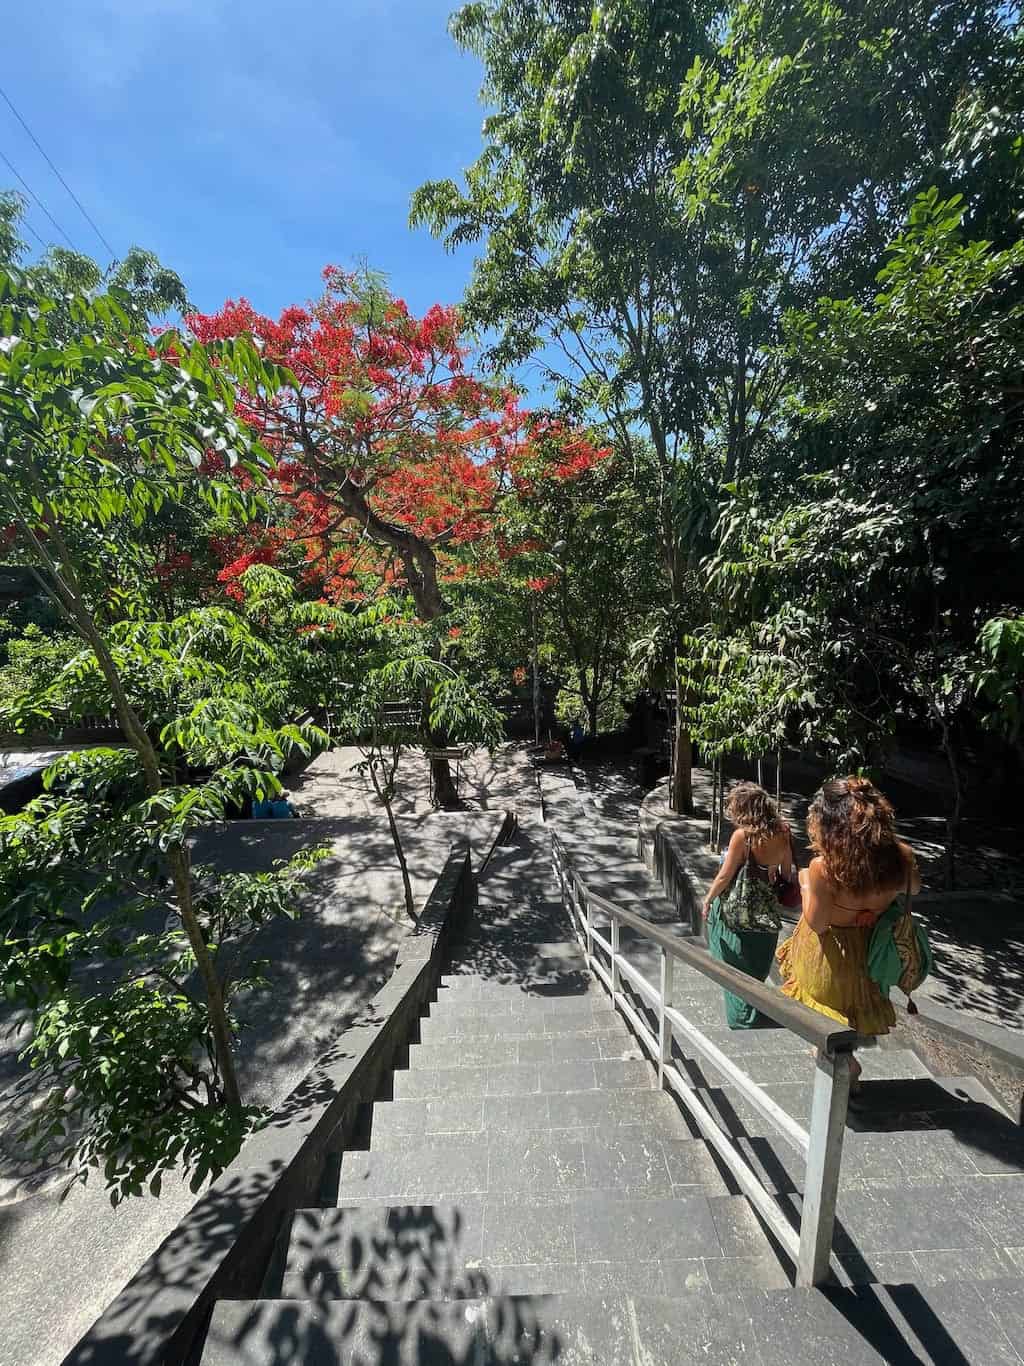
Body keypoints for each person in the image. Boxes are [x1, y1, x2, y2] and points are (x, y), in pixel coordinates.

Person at [776, 776, 921, 1089]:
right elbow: (914, 888)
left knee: (825, 1015)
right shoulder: (903, 857)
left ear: (829, 823)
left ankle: (844, 1069)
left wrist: (803, 883)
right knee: (854, 1011)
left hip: (829, 956)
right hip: (869, 954)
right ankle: (846, 1067)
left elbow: (817, 923)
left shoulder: (823, 868)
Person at [702, 782, 796, 1029]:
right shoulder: (784, 832)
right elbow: (787, 873)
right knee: (756, 962)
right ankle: (753, 1005)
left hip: (738, 912)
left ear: (745, 809)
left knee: (730, 956)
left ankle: (741, 1018)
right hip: (766, 911)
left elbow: (724, 876)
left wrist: (708, 899)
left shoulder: (743, 837)